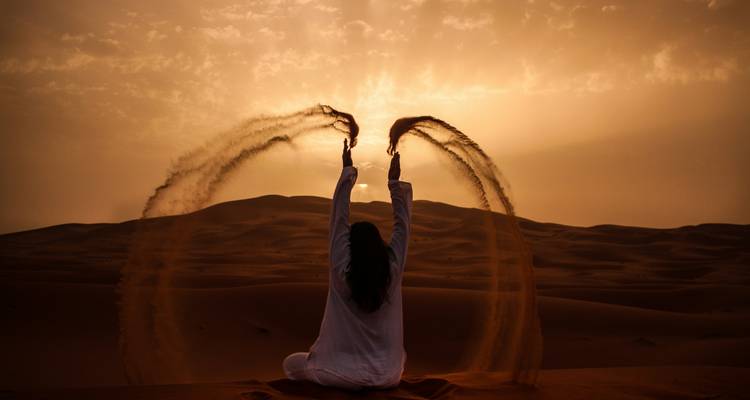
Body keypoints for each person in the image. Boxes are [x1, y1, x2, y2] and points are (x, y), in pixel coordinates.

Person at [282, 138, 413, 390]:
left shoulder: (342, 269)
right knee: (400, 358)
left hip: (338, 374)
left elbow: (338, 220)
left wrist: (347, 172)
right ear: (379, 245)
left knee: (291, 363)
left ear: (350, 246)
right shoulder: (392, 270)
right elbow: (403, 227)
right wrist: (394, 184)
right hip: (388, 376)